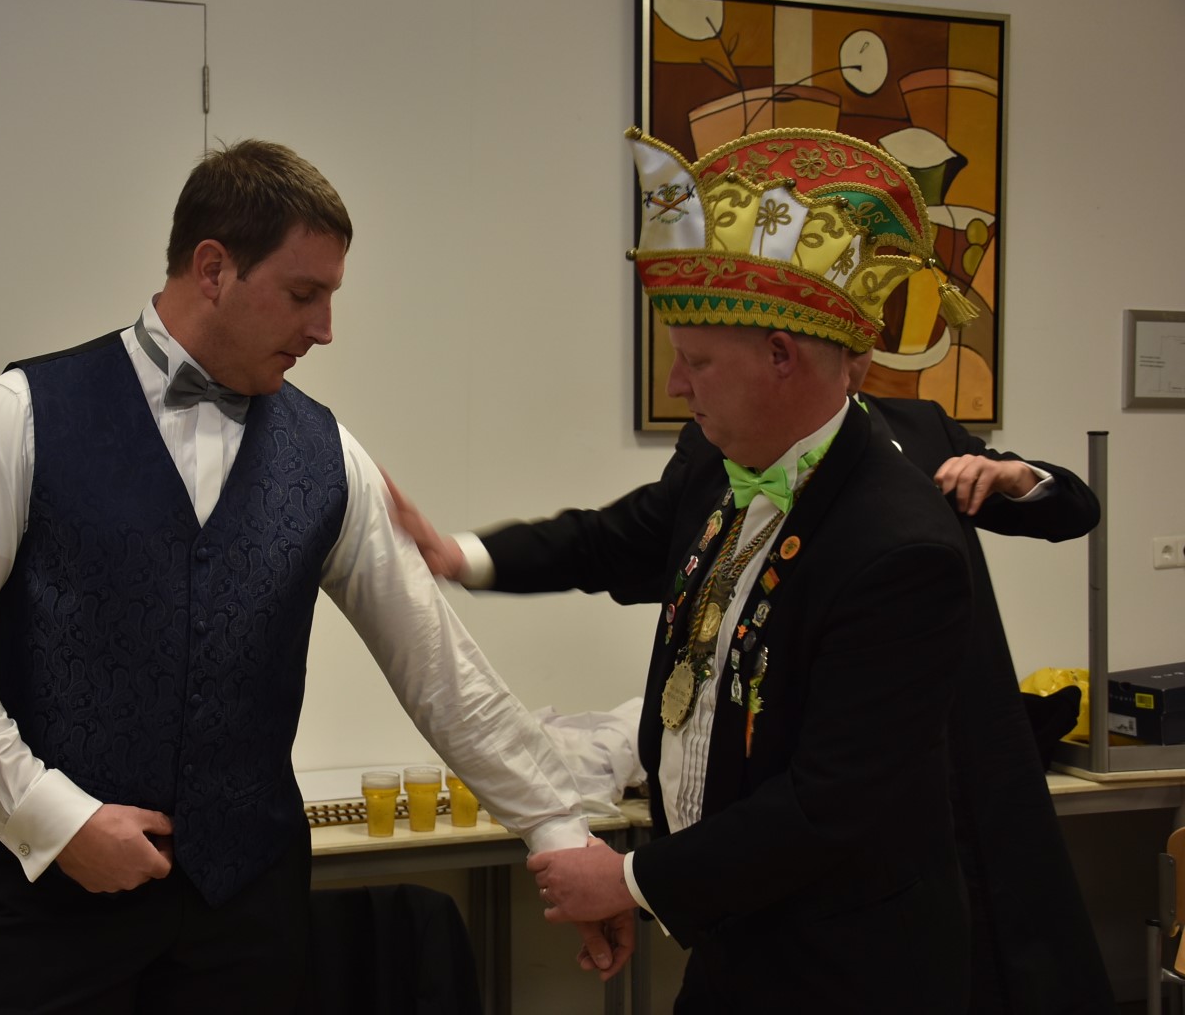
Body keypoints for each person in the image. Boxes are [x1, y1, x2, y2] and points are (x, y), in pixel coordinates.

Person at [0, 139, 604, 1013]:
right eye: (303, 294)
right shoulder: (18, 415)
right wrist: (52, 816)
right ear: (213, 268)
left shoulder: (330, 455)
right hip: (46, 917)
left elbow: (439, 668)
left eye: (332, 297)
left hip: (247, 926)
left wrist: (556, 827)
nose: (325, 329)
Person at [390, 127, 982, 1012]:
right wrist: (463, 556)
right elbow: (615, 539)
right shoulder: (715, 460)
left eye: (697, 360)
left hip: (849, 969)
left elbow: (826, 806)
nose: (676, 384)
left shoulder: (902, 550)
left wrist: (630, 881)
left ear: (781, 356)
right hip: (734, 941)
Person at [851, 358, 1115, 1014]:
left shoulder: (922, 427)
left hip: (966, 732)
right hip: (855, 748)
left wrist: (1015, 476)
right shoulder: (741, 445)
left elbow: (1074, 510)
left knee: (1003, 940)